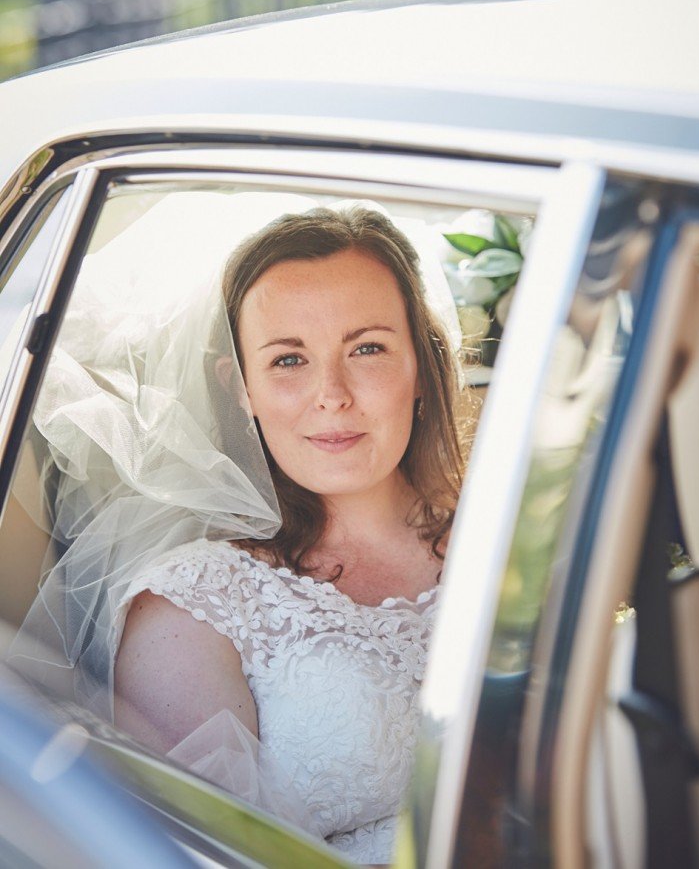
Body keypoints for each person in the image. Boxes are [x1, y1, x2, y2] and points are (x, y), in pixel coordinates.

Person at [13, 196, 467, 864]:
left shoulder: (516, 537)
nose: (331, 394)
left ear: (421, 367)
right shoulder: (196, 602)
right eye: (288, 360)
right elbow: (195, 853)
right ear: (242, 389)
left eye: (366, 348)